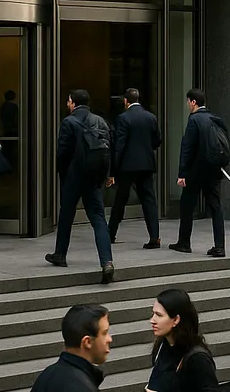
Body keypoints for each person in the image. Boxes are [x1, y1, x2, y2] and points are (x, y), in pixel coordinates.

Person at [47, 89, 115, 282]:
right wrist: (108, 174)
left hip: (73, 178)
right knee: (99, 219)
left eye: (68, 101)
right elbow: (109, 148)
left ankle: (60, 254)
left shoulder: (69, 122)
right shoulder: (100, 121)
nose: (67, 104)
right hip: (94, 178)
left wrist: (61, 173)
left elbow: (63, 153)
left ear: (73, 103)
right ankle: (107, 261)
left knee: (66, 215)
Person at [172, 88, 228, 257]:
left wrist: (182, 173)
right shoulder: (214, 119)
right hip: (214, 168)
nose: (188, 104)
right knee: (215, 206)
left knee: (187, 205)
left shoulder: (194, 120)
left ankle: (184, 242)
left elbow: (187, 148)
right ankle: (220, 246)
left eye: (188, 101)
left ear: (193, 102)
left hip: (196, 170)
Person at [109, 87, 162, 249]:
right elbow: (157, 140)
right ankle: (154, 236)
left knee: (120, 200)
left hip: (128, 165)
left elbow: (120, 145)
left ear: (126, 101)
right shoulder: (151, 117)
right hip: (146, 164)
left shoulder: (123, 118)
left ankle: (110, 233)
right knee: (149, 200)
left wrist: (113, 170)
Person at [147, 289, 222, 392]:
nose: (152, 320)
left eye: (159, 315)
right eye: (153, 313)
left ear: (176, 320)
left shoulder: (198, 358)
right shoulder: (162, 344)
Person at [29, 304, 112, 392]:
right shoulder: (81, 387)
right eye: (104, 333)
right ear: (87, 342)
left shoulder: (47, 375)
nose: (110, 339)